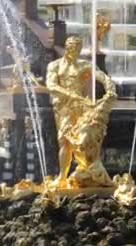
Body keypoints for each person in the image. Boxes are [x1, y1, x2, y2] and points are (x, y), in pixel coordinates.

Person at [46, 36, 117, 188]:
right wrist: (69, 94)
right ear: (67, 48)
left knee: (86, 138)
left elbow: (100, 75)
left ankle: (89, 170)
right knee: (65, 141)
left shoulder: (84, 65)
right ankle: (62, 177)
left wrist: (109, 86)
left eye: (78, 49)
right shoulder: (55, 66)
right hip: (64, 108)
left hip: (82, 107)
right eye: (73, 49)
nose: (76, 52)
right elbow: (51, 85)